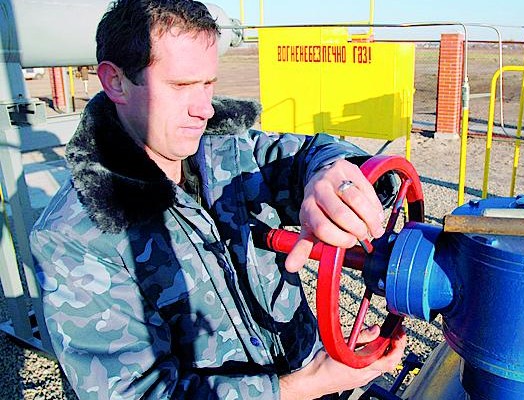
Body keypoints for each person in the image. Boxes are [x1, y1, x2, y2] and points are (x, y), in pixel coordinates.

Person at [29, 0, 406, 399]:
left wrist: (333, 176)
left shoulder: (231, 151)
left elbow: (312, 155)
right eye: (180, 86)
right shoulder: (74, 236)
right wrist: (302, 386)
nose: (204, 109)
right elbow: (136, 392)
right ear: (116, 82)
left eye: (208, 83)